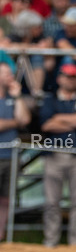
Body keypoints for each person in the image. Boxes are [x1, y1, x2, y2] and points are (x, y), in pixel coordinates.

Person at [38, 62, 76, 247]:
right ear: (59, 78)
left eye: (74, 77)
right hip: (55, 154)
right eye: (67, 76)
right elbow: (47, 125)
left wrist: (59, 118)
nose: (70, 80)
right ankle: (50, 240)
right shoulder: (50, 99)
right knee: (51, 202)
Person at [0, 61, 30, 233]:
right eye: (6, 73)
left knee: (6, 198)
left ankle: (1, 235)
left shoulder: (12, 98)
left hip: (10, 156)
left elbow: (24, 119)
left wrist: (18, 97)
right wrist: (15, 122)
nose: (10, 76)